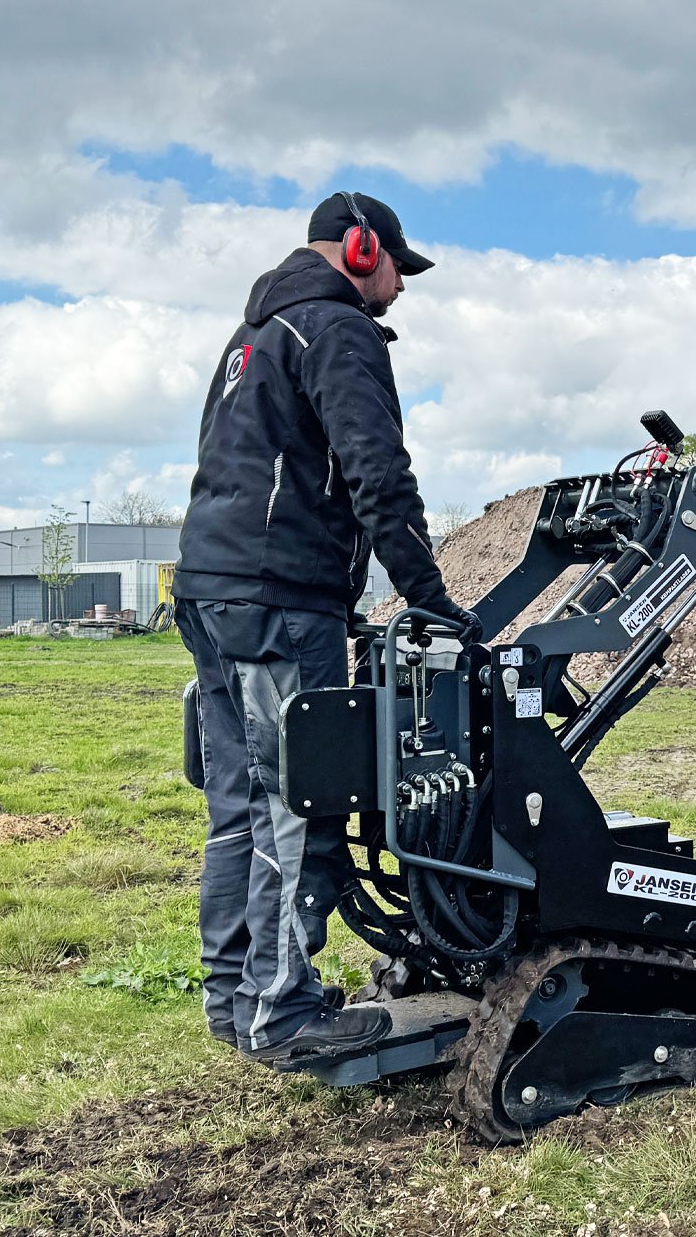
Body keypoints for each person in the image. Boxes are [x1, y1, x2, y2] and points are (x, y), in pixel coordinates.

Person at [174, 192, 479, 1067]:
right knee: (296, 806)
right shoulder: (335, 329)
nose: (399, 289)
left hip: (213, 593)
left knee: (237, 809)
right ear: (360, 249)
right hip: (279, 601)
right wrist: (429, 598)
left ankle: (236, 1002)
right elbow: (378, 474)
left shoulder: (250, 338)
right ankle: (284, 1016)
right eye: (396, 268)